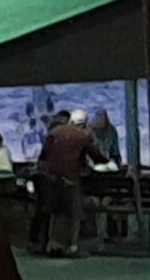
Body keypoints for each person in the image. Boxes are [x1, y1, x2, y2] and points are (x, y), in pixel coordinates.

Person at [36, 108, 103, 258]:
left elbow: (43, 156)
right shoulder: (83, 136)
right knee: (74, 213)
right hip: (72, 179)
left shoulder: (54, 133)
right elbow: (96, 157)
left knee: (56, 212)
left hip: (53, 179)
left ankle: (53, 244)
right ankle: (72, 246)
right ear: (84, 123)